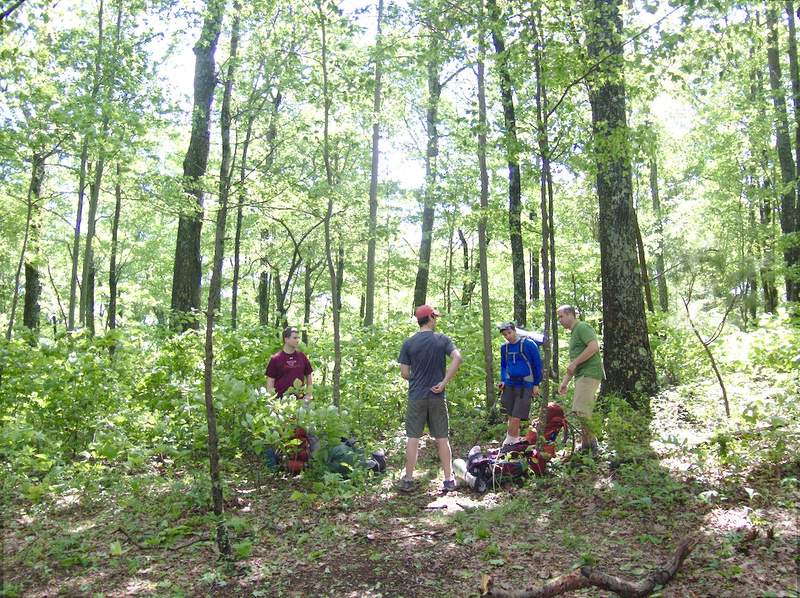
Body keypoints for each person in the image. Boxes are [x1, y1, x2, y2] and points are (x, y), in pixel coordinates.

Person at [397, 305, 462, 493]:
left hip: (416, 396)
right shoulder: (441, 339)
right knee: (442, 438)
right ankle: (449, 480)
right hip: (436, 395)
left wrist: (416, 378)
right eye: (435, 317)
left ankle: (408, 479)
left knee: (413, 438)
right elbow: (457, 358)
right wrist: (443, 382)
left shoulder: (409, 343)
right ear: (431, 318)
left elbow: (404, 373)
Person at [556, 305, 604, 453]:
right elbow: (573, 365)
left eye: (561, 316)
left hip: (590, 373)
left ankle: (592, 445)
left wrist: (576, 362)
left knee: (582, 410)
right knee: (580, 410)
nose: (559, 320)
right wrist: (564, 383)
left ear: (570, 314)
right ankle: (586, 444)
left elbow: (594, 346)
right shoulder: (574, 334)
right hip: (581, 375)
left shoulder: (582, 327)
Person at [497, 321, 542, 446]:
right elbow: (504, 365)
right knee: (510, 413)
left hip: (526, 384)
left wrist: (536, 384)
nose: (508, 336)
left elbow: (537, 364)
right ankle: (514, 439)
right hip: (510, 383)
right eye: (505, 334)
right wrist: (503, 380)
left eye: (509, 333)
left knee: (517, 414)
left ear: (515, 331)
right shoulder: (504, 348)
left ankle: (509, 442)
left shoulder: (529, 344)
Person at [265, 326, 313, 401]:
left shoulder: (302, 357)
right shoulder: (276, 358)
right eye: (294, 338)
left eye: (298, 338)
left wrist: (309, 394)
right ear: (286, 339)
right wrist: (271, 399)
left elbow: (309, 375)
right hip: (280, 401)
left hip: (299, 400)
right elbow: (270, 381)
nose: (297, 340)